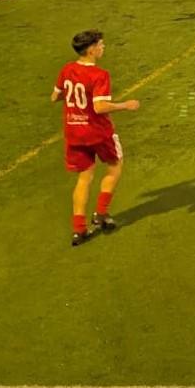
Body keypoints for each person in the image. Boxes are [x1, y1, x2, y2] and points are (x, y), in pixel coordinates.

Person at [53, 29, 139, 246]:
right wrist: (125, 105)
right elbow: (99, 107)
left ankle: (79, 230)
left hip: (73, 131)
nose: (103, 47)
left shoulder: (67, 69)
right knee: (115, 164)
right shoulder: (100, 75)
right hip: (97, 132)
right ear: (91, 50)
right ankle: (101, 213)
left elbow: (55, 96)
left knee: (84, 178)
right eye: (101, 44)